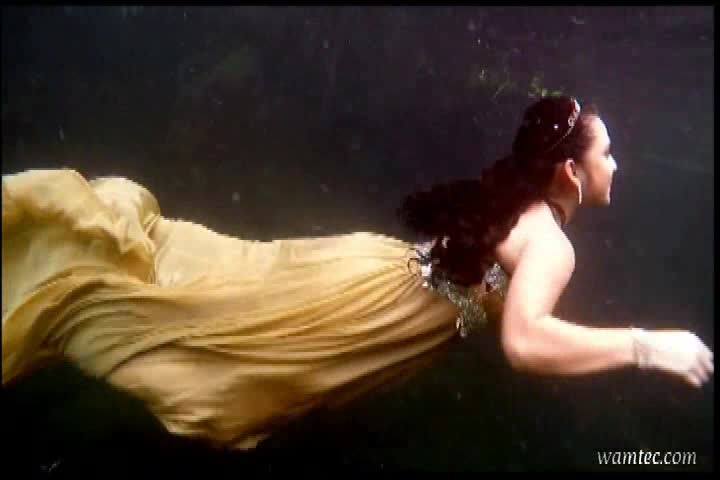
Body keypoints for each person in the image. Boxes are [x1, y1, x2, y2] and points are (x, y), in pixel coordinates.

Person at [2, 96, 712, 451]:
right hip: (375, 308)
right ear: (570, 171)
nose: (616, 164)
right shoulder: (554, 245)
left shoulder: (522, 206)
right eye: (606, 153)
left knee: (221, 290)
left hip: (373, 273)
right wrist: (647, 347)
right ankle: (68, 300)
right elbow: (525, 343)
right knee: (216, 327)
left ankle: (65, 275)